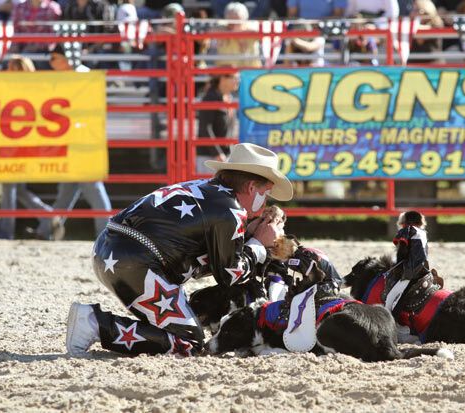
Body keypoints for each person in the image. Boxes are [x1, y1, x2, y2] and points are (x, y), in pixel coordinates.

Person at [65, 143, 292, 357]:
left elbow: (212, 253)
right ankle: (95, 323)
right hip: (136, 263)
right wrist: (259, 244)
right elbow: (230, 274)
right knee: (189, 343)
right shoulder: (230, 211)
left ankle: (100, 324)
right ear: (252, 187)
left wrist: (250, 232)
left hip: (113, 251)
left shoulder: (211, 192)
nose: (266, 203)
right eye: (266, 194)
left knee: (180, 325)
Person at [33, 44, 112, 240]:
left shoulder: (82, 76)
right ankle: (47, 232)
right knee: (67, 191)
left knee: (91, 186)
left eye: (54, 58)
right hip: (73, 140)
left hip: (83, 140)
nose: (50, 63)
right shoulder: (73, 76)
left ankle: (108, 234)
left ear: (66, 59)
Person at [0, 56, 62, 240]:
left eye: (10, 68)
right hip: (17, 143)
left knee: (9, 187)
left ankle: (4, 231)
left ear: (19, 71)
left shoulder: (19, 91)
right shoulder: (28, 90)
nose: (6, 71)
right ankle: (48, 216)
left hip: (17, 144)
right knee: (17, 189)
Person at [195, 71, 239, 173]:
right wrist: (217, 153)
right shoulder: (209, 99)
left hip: (224, 155)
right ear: (222, 78)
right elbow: (205, 128)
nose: (237, 81)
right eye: (234, 77)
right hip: (209, 156)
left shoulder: (229, 98)